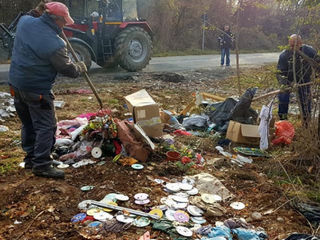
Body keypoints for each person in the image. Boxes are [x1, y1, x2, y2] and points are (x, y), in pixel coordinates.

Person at [9, 2, 87, 179]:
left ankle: (31, 159)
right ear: (56, 19)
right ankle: (42, 164)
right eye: (63, 21)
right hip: (37, 89)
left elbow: (30, 14)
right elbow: (68, 69)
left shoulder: (25, 22)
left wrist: (40, 10)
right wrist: (80, 68)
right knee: (46, 126)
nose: (65, 25)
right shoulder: (55, 43)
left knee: (28, 123)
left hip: (16, 85)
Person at [277, 34, 318, 123]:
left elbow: (317, 63)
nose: (293, 48)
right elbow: (280, 73)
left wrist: (317, 77)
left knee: (305, 99)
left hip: (304, 79)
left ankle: (306, 121)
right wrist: (287, 84)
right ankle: (283, 120)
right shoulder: (284, 55)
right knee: (283, 96)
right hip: (288, 80)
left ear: (301, 43)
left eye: (296, 45)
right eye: (291, 45)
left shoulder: (309, 51)